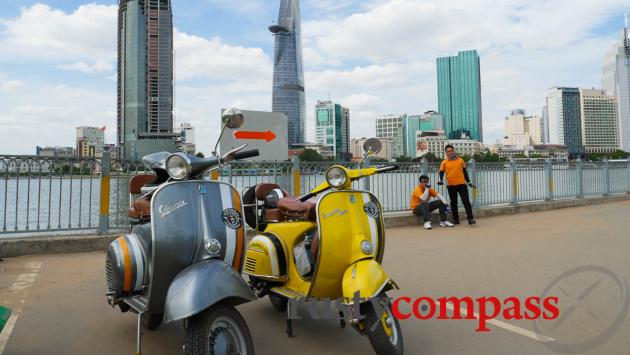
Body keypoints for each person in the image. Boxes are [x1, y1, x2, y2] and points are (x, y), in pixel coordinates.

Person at [438, 145, 476, 225]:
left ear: (454, 151)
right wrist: (440, 180)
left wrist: (468, 182)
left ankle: (470, 219)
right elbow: (441, 173)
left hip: (462, 185)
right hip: (451, 186)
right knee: (453, 203)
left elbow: (465, 172)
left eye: (451, 150)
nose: (450, 152)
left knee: (466, 202)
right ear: (446, 153)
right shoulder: (444, 162)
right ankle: (456, 219)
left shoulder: (460, 160)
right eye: (448, 151)